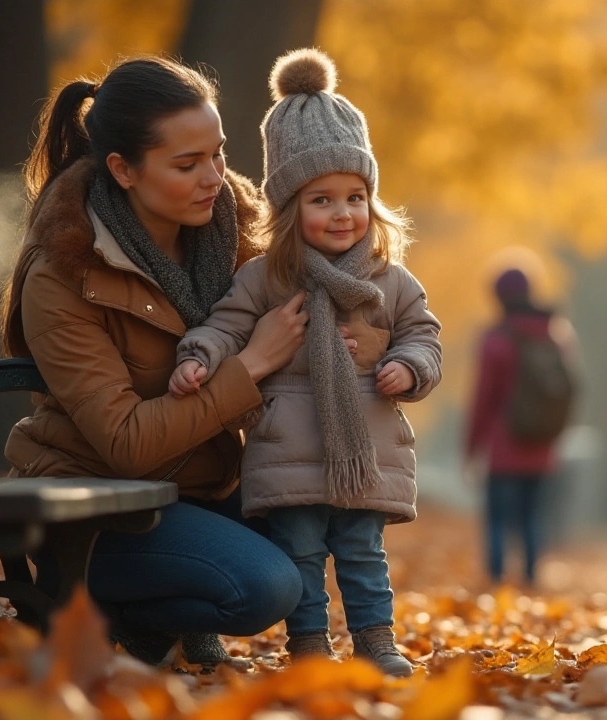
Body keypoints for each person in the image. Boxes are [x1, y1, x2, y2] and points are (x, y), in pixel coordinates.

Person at [0, 56, 311, 669]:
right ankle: (117, 611)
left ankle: (162, 618)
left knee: (313, 508)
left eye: (218, 154)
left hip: (198, 487)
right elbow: (127, 445)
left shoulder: (233, 234)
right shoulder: (64, 273)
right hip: (96, 513)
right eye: (187, 164)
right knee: (267, 587)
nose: (214, 177)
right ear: (123, 170)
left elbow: (312, 299)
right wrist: (250, 364)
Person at [170, 49, 442, 678]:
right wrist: (199, 356)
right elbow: (226, 326)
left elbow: (423, 334)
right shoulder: (267, 278)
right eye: (322, 200)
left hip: (363, 451)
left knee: (362, 554)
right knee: (299, 555)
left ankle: (376, 639)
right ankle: (310, 647)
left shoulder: (390, 280)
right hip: (288, 448)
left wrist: (407, 366)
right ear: (290, 209)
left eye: (355, 197)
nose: (343, 213)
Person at [464, 265, 578, 589]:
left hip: (503, 447)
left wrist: (472, 448)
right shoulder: (556, 333)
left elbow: (483, 399)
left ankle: (496, 582)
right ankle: (530, 579)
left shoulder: (496, 338)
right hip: (542, 446)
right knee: (531, 517)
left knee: (499, 519)